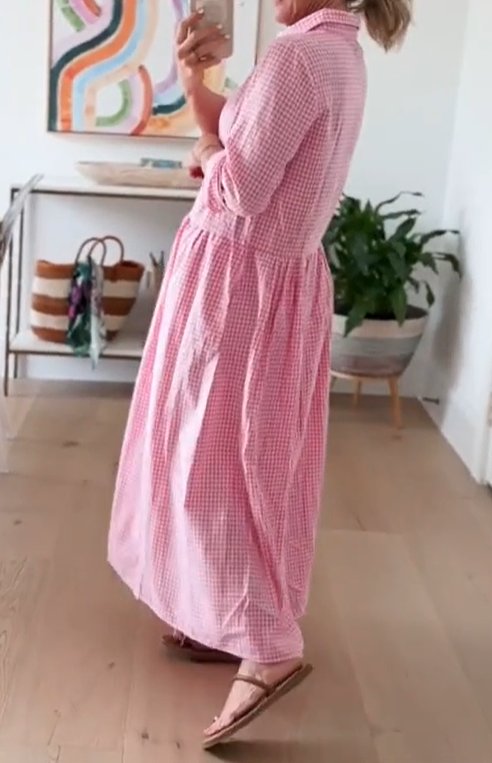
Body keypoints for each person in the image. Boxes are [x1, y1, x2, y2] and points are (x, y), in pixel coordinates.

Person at [108, 0, 412, 748]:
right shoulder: (335, 52)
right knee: (248, 458)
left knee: (209, 459)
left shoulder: (296, 58)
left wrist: (204, 143)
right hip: (274, 281)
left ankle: (268, 643)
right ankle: (222, 611)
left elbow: (240, 186)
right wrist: (200, 88)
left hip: (236, 284)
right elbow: (250, 148)